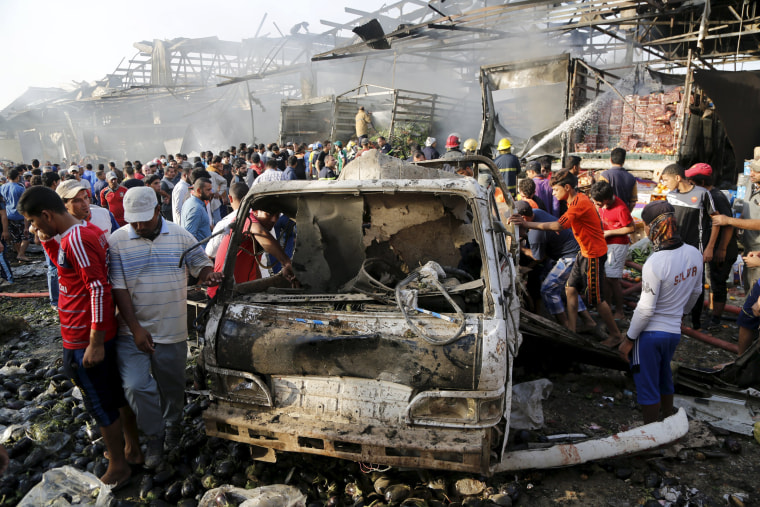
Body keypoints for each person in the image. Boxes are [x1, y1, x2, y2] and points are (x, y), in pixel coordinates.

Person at [19, 185, 140, 487]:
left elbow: (98, 288)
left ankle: (118, 465)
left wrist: (95, 342)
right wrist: (47, 243)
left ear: (46, 214)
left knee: (100, 402)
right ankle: (132, 449)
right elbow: (67, 272)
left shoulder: (77, 239)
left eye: (34, 221)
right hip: (88, 332)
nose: (34, 228)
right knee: (114, 393)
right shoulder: (83, 233)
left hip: (84, 336)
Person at [109, 187, 221, 468]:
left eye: (144, 220)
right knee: (135, 386)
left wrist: (208, 275)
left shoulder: (180, 235)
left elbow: (200, 264)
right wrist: (135, 328)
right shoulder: (117, 241)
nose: (137, 226)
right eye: (133, 220)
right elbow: (118, 289)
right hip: (131, 330)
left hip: (171, 326)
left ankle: (173, 424)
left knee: (171, 385)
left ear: (159, 211)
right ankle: (155, 435)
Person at [509, 170, 624, 346]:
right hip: (582, 252)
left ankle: (616, 335)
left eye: (555, 189)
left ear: (567, 187)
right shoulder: (574, 201)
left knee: (597, 300)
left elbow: (558, 225)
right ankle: (572, 331)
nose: (553, 193)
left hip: (592, 254)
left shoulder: (579, 204)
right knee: (570, 288)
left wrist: (526, 224)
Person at [618, 201, 703, 424]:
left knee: (647, 385)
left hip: (649, 335)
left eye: (645, 226)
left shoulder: (655, 261)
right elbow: (696, 292)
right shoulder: (694, 254)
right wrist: (680, 314)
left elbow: (645, 309)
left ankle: (651, 435)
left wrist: (628, 339)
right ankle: (668, 422)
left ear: (653, 227)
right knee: (665, 378)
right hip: (673, 333)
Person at [513, 200, 597, 329]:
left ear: (523, 218)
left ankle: (565, 326)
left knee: (548, 289)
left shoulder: (536, 234)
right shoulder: (536, 212)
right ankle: (588, 321)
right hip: (576, 249)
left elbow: (538, 257)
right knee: (565, 288)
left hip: (570, 256)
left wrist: (523, 249)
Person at [661, 163, 717, 330]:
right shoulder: (670, 196)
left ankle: (696, 323)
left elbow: (717, 221)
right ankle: (676, 318)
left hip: (696, 249)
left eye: (666, 180)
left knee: (695, 286)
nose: (664, 183)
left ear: (677, 178)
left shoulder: (702, 194)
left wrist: (710, 248)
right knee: (674, 281)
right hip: (675, 247)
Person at [686, 163, 738, 331]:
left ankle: (715, 319)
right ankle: (710, 313)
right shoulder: (706, 194)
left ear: (700, 181)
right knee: (712, 281)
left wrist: (721, 248)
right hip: (713, 246)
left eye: (692, 181)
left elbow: (728, 224)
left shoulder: (716, 196)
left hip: (722, 248)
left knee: (718, 283)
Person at [589, 181, 634, 321]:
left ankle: (619, 311)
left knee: (613, 279)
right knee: (604, 277)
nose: (596, 205)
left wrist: (609, 233)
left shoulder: (620, 208)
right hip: (604, 243)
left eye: (598, 203)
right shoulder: (599, 204)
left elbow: (631, 228)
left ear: (607, 200)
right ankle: (607, 307)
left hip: (618, 244)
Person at [713, 159, 760, 292]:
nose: (752, 174)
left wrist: (729, 221)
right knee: (748, 288)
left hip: (758, 249)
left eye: (757, 171)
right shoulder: (751, 184)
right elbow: (746, 209)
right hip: (749, 247)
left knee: (755, 293)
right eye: (751, 170)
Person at [206, 182, 248, 260]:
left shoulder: (225, 223)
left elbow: (210, 253)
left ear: (230, 198)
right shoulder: (261, 217)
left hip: (235, 270)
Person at [0, 169, 31, 261]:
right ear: (18, 177)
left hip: (8, 215)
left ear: (8, 177)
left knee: (15, 238)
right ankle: (21, 254)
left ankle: (19, 254)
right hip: (20, 216)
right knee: (27, 236)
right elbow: (24, 205)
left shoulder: (2, 188)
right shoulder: (21, 189)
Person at [596, 147, 637, 212]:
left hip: (608, 215)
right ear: (624, 161)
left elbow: (599, 198)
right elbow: (633, 203)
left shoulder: (605, 176)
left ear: (610, 160)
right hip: (623, 215)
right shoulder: (631, 178)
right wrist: (626, 214)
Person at [181, 178, 213, 242]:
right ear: (199, 191)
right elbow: (190, 236)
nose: (211, 192)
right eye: (208, 190)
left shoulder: (191, 202)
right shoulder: (196, 208)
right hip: (201, 249)